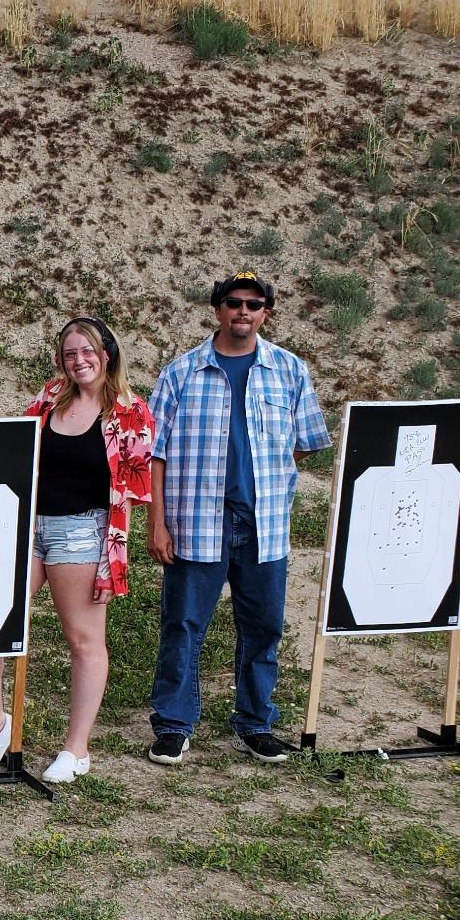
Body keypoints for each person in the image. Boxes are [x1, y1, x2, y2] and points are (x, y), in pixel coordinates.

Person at [146, 272, 331, 763]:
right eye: (233, 303)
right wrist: (158, 521)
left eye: (254, 304)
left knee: (264, 626)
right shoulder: (181, 374)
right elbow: (154, 454)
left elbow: (305, 443)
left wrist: (266, 477)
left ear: (266, 312)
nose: (243, 312)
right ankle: (174, 724)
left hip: (263, 528)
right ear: (218, 309)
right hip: (196, 523)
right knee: (183, 624)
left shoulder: (289, 372)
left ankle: (255, 723)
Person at [0, 315, 153, 784]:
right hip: (28, 525)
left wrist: (114, 561)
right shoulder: (49, 399)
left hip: (83, 530)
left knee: (82, 639)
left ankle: (77, 749)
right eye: (70, 353)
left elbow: (130, 494)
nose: (78, 361)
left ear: (106, 354)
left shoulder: (130, 413)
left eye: (87, 351)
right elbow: (14, 454)